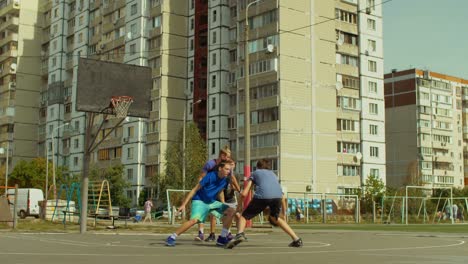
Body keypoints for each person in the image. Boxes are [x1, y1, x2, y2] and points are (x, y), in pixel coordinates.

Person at [226, 159, 303, 249]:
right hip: (278, 197)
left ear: (257, 167)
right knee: (276, 218)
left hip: (262, 196)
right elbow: (282, 196)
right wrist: (284, 213)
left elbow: (243, 194)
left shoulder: (255, 173)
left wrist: (239, 207)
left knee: (243, 217)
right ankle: (296, 239)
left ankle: (240, 234)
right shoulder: (273, 175)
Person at [166, 161, 236, 247]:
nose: (228, 171)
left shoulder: (225, 180)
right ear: (220, 168)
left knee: (231, 211)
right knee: (194, 220)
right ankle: (172, 237)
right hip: (200, 201)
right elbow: (195, 189)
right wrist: (184, 204)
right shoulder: (210, 176)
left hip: (211, 202)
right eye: (226, 169)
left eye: (229, 169)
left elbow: (220, 191)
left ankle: (222, 238)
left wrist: (222, 203)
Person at [194, 145, 231, 242]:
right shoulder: (210, 164)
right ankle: (202, 233)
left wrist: (237, 188)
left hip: (218, 190)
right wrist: (199, 189)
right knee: (204, 212)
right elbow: (201, 177)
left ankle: (227, 233)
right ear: (222, 155)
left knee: (223, 210)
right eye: (227, 156)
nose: (228, 159)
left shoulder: (226, 166)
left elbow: (231, 177)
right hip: (207, 190)